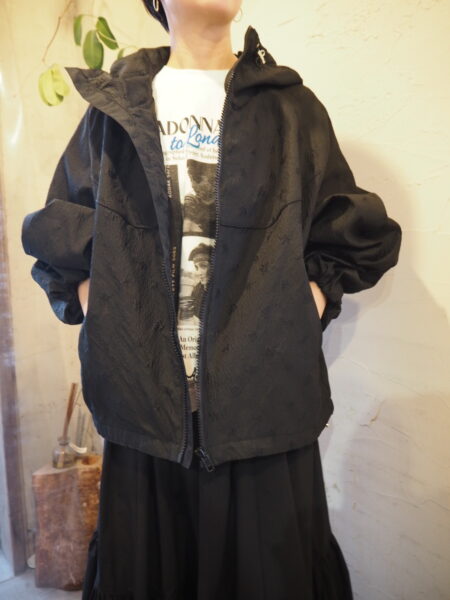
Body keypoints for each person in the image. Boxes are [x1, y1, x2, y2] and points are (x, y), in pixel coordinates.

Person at [21, 0, 402, 598]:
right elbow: (63, 234)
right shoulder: (113, 112)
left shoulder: (290, 109)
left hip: (264, 420)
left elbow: (348, 232)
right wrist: (108, 312)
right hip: (143, 422)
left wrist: (305, 304)